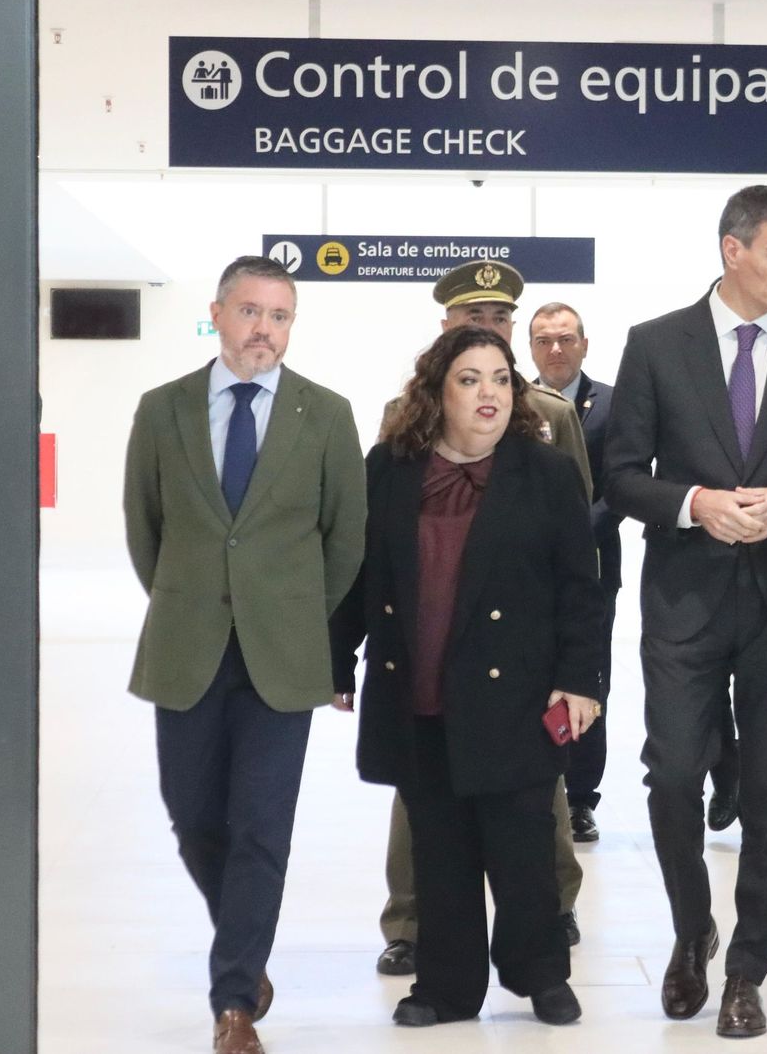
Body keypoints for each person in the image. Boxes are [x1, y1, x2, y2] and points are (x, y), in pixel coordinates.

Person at [604, 184, 767, 1038]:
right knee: (674, 775)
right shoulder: (655, 344)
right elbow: (621, 475)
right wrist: (694, 504)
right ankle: (692, 930)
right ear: (733, 251)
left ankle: (747, 969)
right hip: (684, 600)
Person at [122, 255, 366, 1054]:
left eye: (280, 315)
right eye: (252, 311)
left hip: (281, 657)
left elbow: (345, 539)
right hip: (186, 645)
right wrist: (188, 598)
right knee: (192, 814)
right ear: (219, 313)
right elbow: (145, 528)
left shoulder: (325, 415)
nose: (265, 329)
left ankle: (234, 1001)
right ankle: (244, 940)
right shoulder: (163, 409)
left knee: (261, 825)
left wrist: (294, 617)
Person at [330, 324, 604, 1027]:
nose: (491, 393)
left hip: (517, 692)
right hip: (419, 688)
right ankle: (446, 989)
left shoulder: (545, 473)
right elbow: (360, 573)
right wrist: (337, 658)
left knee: (523, 849)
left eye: (502, 379)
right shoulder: (389, 468)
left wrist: (581, 680)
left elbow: (581, 586)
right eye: (470, 379)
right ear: (437, 393)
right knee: (439, 848)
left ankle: (540, 975)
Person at [370, 260, 590, 977]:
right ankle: (414, 923)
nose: (489, 328)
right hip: (433, 648)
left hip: (516, 655)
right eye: (474, 320)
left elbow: (578, 539)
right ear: (446, 331)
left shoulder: (550, 417)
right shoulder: (403, 421)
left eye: (500, 320)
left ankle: (550, 915)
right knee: (424, 797)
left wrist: (577, 663)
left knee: (534, 794)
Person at [528, 301, 621, 844]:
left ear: (584, 344)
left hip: (594, 567)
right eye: (544, 340)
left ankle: (582, 798)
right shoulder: (514, 402)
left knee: (588, 680)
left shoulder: (612, 404)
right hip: (528, 573)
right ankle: (539, 788)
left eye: (565, 338)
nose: (556, 349)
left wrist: (574, 533)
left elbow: (622, 484)